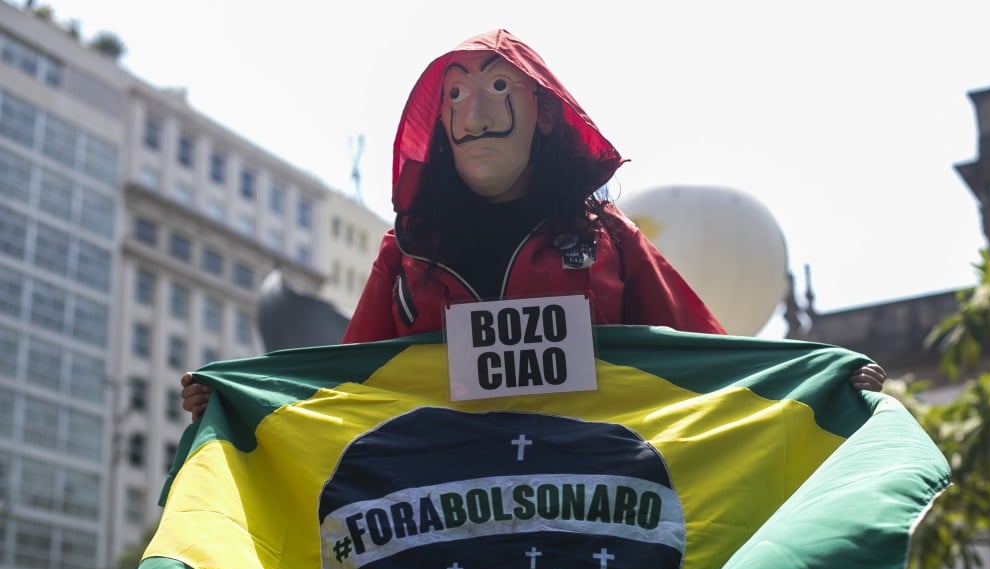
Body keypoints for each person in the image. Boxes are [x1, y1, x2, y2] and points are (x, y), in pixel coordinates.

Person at [181, 29, 886, 419]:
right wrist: (236, 403)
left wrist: (822, 383)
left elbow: (707, 359)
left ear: (544, 112)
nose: (473, 111)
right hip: (443, 524)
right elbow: (341, 393)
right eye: (453, 94)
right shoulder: (407, 254)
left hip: (596, 517)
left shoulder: (608, 237)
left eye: (495, 86)